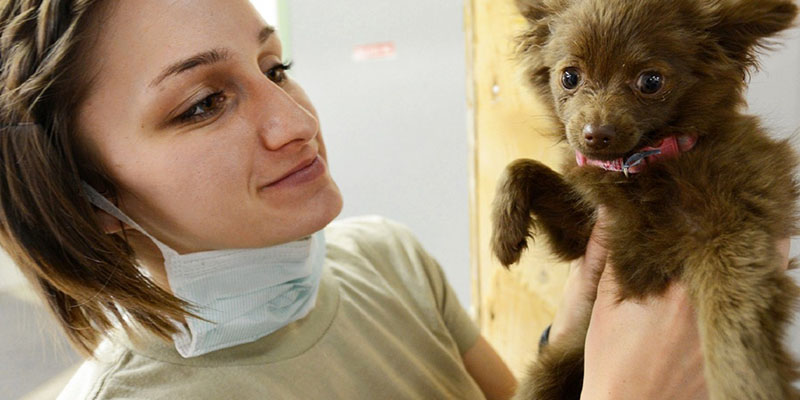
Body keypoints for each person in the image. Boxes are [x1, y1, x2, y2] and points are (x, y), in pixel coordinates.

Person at [0, 0, 787, 399]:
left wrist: (575, 340)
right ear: (85, 203)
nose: (295, 120)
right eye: (202, 103)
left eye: (274, 69)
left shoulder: (388, 260)